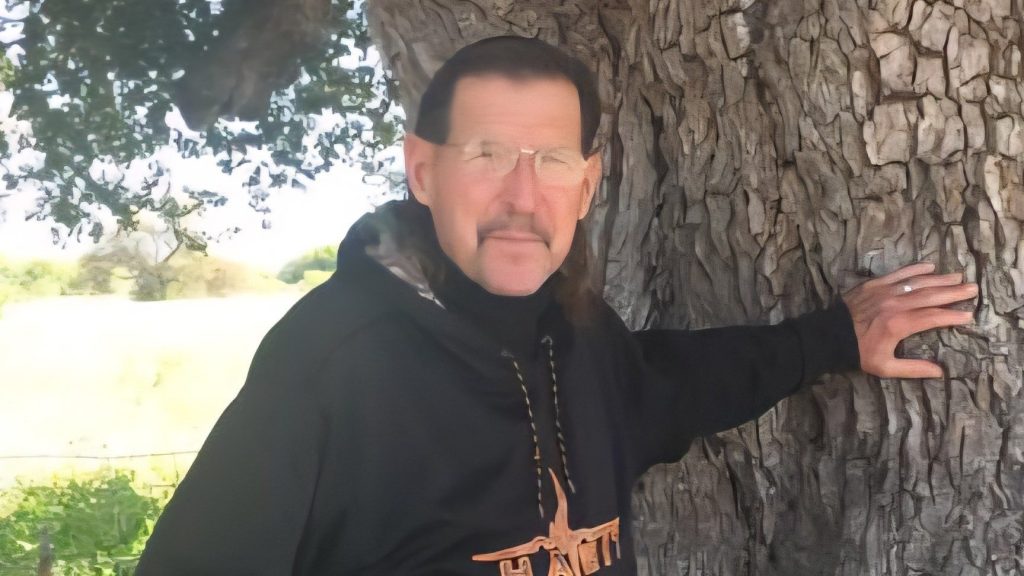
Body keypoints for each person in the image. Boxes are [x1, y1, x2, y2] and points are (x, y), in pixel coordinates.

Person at [134, 36, 978, 576]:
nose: (522, 196)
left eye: (553, 161)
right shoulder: (329, 362)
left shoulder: (578, 335)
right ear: (422, 170)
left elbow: (674, 384)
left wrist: (835, 336)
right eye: (487, 153)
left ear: (588, 184)